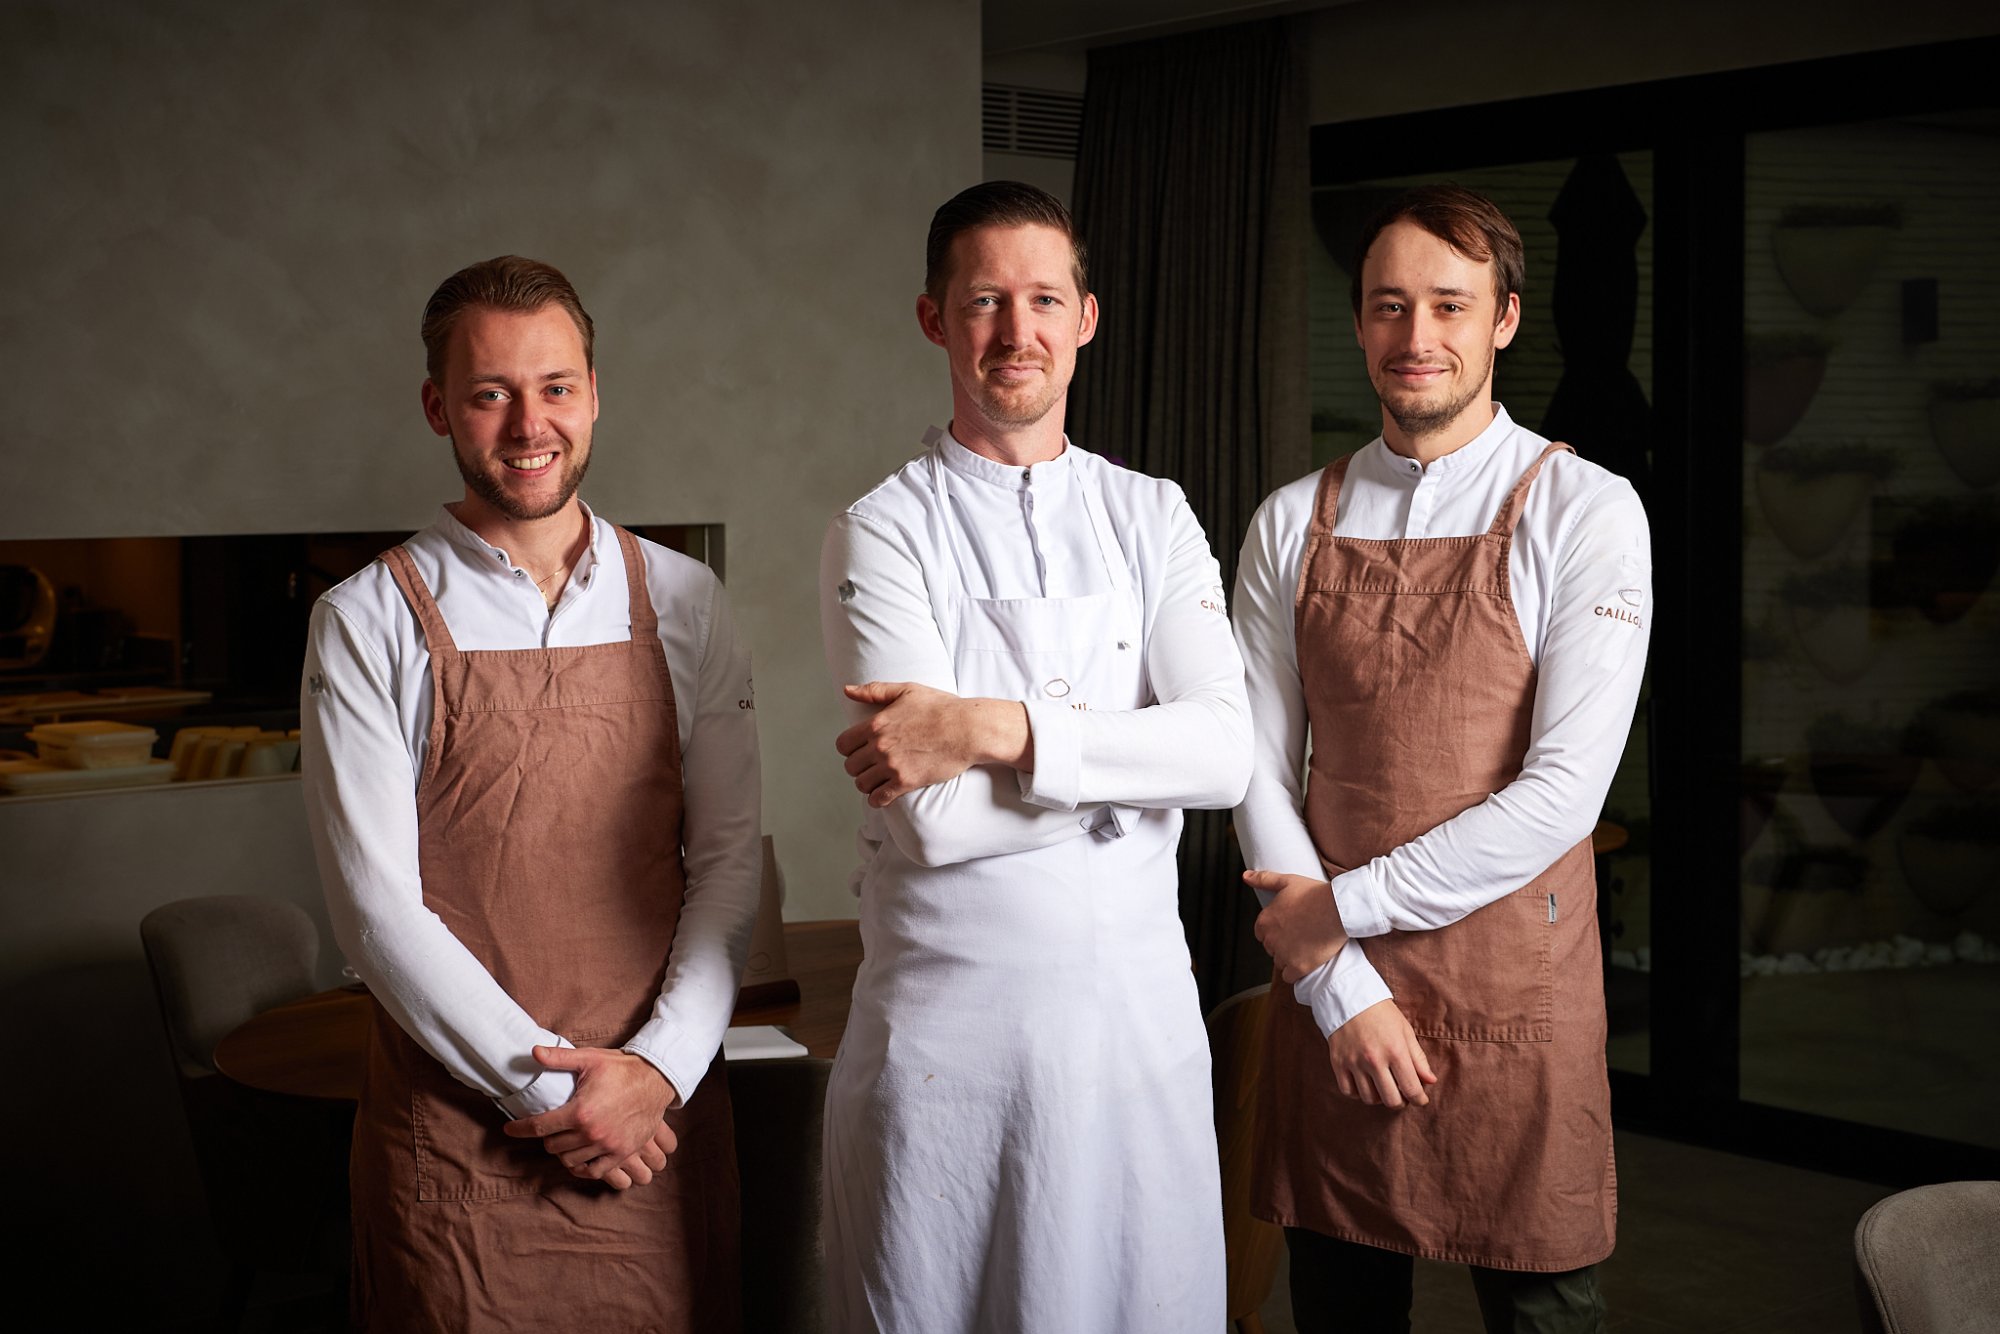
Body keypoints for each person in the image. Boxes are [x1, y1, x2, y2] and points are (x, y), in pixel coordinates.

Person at [818, 180, 1251, 1333]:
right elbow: (936, 823)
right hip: (956, 1049)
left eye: (1044, 299)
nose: (1017, 330)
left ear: (1086, 318)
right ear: (933, 318)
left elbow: (1224, 756)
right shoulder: (881, 529)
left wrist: (991, 728)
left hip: (1140, 1038)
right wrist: (1133, 770)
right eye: (984, 301)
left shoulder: (1152, 514)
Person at [300, 255, 760, 1331]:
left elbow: (728, 862)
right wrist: (563, 1099)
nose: (528, 425)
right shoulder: (365, 619)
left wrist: (653, 1073)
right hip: (464, 1143)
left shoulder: (688, 601)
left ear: (593, 393)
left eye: (554, 387)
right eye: (489, 393)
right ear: (438, 408)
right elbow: (375, 912)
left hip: (656, 1129)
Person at [1233, 185, 1652, 1332]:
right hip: (1333, 998)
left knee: (1541, 1310)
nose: (1414, 335)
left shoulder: (1585, 509)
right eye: (1387, 305)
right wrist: (1335, 984)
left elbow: (1560, 795)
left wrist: (1332, 914)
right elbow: (1253, 768)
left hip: (1509, 994)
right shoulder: (1287, 520)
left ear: (1504, 318)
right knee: (1339, 1307)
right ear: (1358, 321)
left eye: (1448, 305)